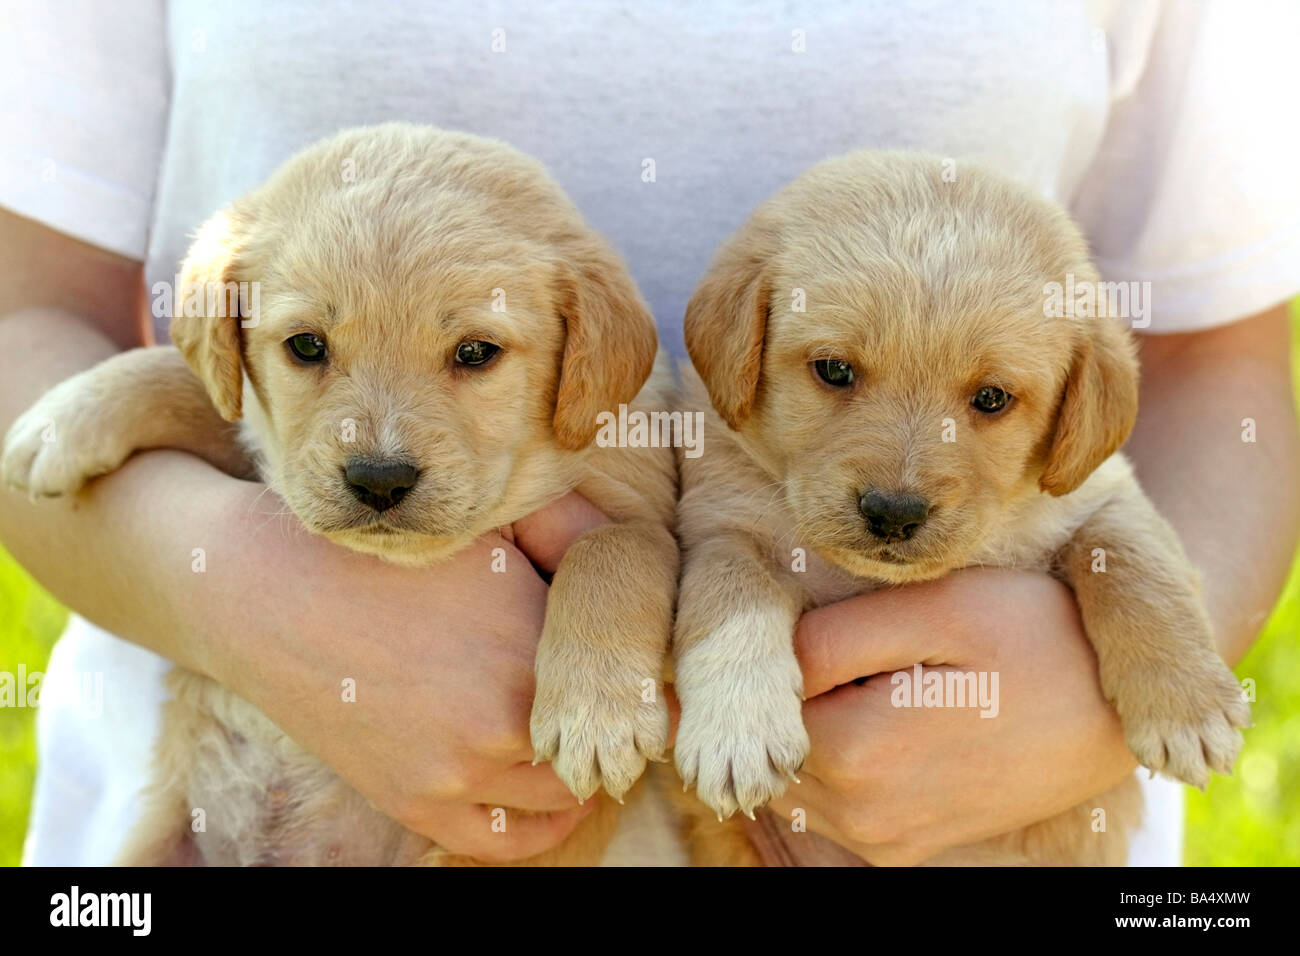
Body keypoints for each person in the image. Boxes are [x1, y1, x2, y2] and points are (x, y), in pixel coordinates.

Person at [2, 0, 1297, 867]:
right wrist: (242, 593)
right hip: (201, 819)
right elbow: (29, 317)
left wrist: (1094, 695)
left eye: (474, 356)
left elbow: (1217, 364)